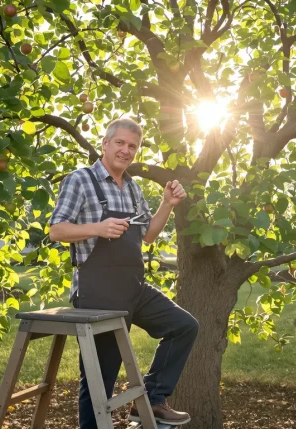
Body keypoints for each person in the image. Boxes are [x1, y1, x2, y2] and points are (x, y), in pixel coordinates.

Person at [49, 117, 199, 428]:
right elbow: (56, 230)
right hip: (97, 294)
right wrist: (98, 228)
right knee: (99, 379)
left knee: (183, 326)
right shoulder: (80, 180)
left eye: (133, 146)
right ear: (105, 144)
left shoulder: (132, 188)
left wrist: (167, 204)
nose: (126, 150)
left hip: (134, 288)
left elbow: (148, 235)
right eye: (120, 143)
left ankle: (152, 400)